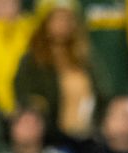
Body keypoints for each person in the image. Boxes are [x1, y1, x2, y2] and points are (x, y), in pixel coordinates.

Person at [14, 1, 97, 145]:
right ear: (45, 22)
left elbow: (100, 91)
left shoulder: (84, 58)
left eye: (67, 19)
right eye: (57, 18)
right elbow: (24, 95)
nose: (63, 24)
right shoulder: (32, 60)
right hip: (52, 139)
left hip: (87, 137)